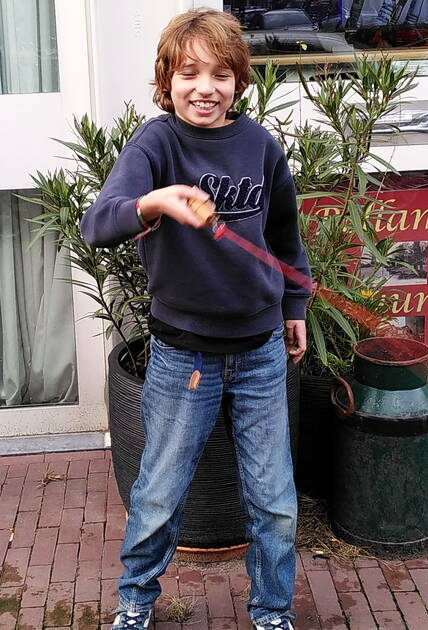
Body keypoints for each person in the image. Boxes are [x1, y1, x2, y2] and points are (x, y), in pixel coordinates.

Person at [81, 8, 310, 630]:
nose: (204, 88)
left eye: (219, 74)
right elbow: (98, 223)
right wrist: (153, 203)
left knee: (274, 500)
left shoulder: (261, 146)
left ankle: (272, 611)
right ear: (167, 80)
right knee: (159, 493)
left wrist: (293, 307)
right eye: (189, 73)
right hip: (184, 356)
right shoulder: (155, 145)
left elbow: (284, 238)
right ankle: (135, 602)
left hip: (260, 351)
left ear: (238, 81)